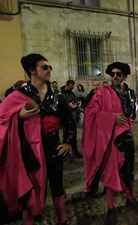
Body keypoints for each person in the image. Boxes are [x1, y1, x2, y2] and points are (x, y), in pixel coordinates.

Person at [0, 53, 74, 225]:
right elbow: (2, 117)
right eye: (45, 67)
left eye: (50, 67)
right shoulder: (18, 95)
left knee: (57, 185)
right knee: (31, 187)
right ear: (32, 71)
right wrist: (18, 116)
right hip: (30, 150)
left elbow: (69, 121)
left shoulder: (57, 95)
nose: (49, 70)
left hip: (54, 146)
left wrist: (68, 142)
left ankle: (62, 220)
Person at [83, 62, 137, 225]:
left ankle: (130, 197)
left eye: (118, 74)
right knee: (110, 170)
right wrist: (111, 117)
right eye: (112, 74)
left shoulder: (131, 93)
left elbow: (131, 114)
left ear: (124, 76)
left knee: (129, 168)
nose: (115, 76)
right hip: (110, 137)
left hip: (127, 134)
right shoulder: (102, 93)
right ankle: (110, 205)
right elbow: (90, 111)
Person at [61, 80, 83, 158]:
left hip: (73, 117)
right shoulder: (62, 94)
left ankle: (75, 151)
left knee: (74, 135)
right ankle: (65, 153)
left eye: (73, 85)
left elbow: (74, 101)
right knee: (66, 135)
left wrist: (77, 104)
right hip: (65, 118)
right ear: (68, 85)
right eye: (71, 85)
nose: (73, 87)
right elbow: (60, 106)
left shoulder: (72, 93)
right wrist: (68, 105)